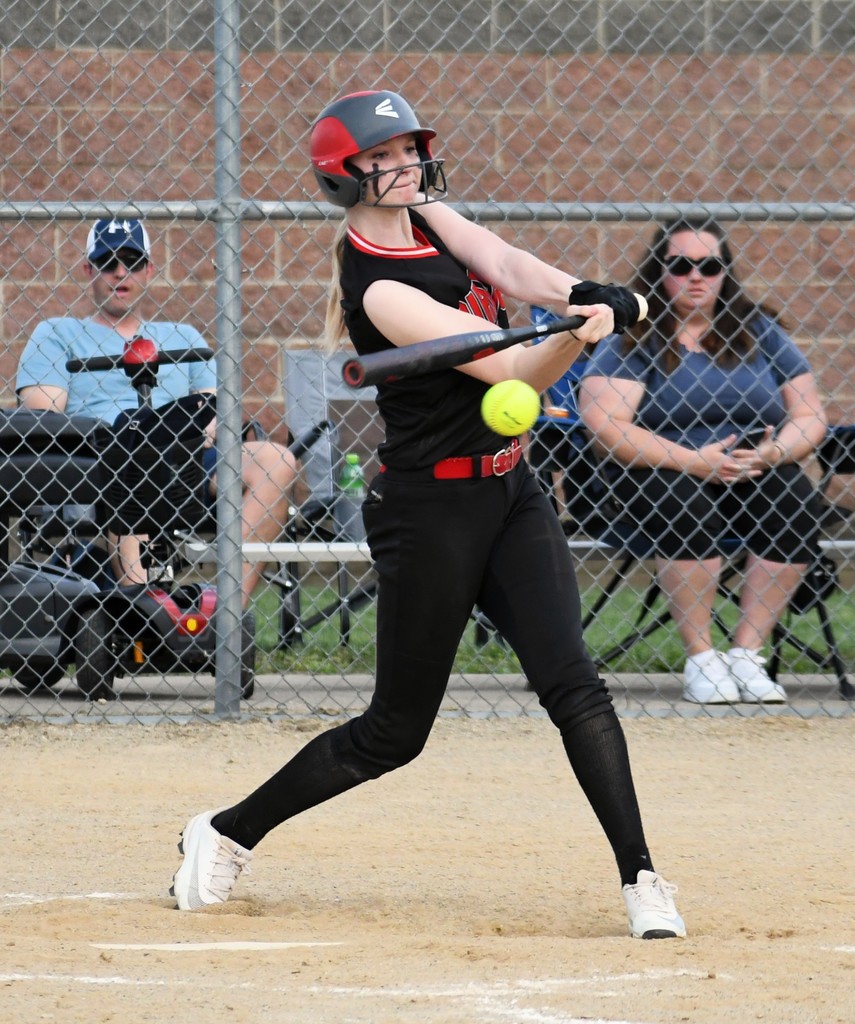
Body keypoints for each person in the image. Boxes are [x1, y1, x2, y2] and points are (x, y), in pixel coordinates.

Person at [168, 89, 686, 941]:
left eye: (412, 148)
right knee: (392, 734)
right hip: (427, 510)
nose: (408, 163)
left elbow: (513, 267)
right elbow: (517, 374)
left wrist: (583, 293)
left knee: (574, 685)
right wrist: (579, 334)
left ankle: (641, 877)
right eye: (389, 154)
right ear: (350, 176)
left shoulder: (433, 216)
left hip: (508, 491)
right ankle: (225, 831)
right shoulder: (377, 289)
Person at [577, 217, 828, 705]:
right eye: (681, 265)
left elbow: (810, 413)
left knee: (795, 496)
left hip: (751, 467)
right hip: (657, 471)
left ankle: (746, 655)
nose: (697, 276)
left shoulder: (759, 330)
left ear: (724, 272)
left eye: (709, 265)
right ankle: (701, 658)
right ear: (659, 272)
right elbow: (607, 428)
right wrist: (695, 461)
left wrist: (774, 452)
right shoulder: (637, 337)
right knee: (683, 500)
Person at [16, 217, 297, 608]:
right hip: (102, 461)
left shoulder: (182, 337)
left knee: (276, 459)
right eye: (107, 261)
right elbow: (44, 420)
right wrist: (130, 439)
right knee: (136, 449)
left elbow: (215, 415)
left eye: (131, 261)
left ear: (148, 270)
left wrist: (178, 439)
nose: (119, 272)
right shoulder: (57, 333)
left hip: (186, 457)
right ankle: (141, 610)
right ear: (87, 269)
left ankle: (226, 614)